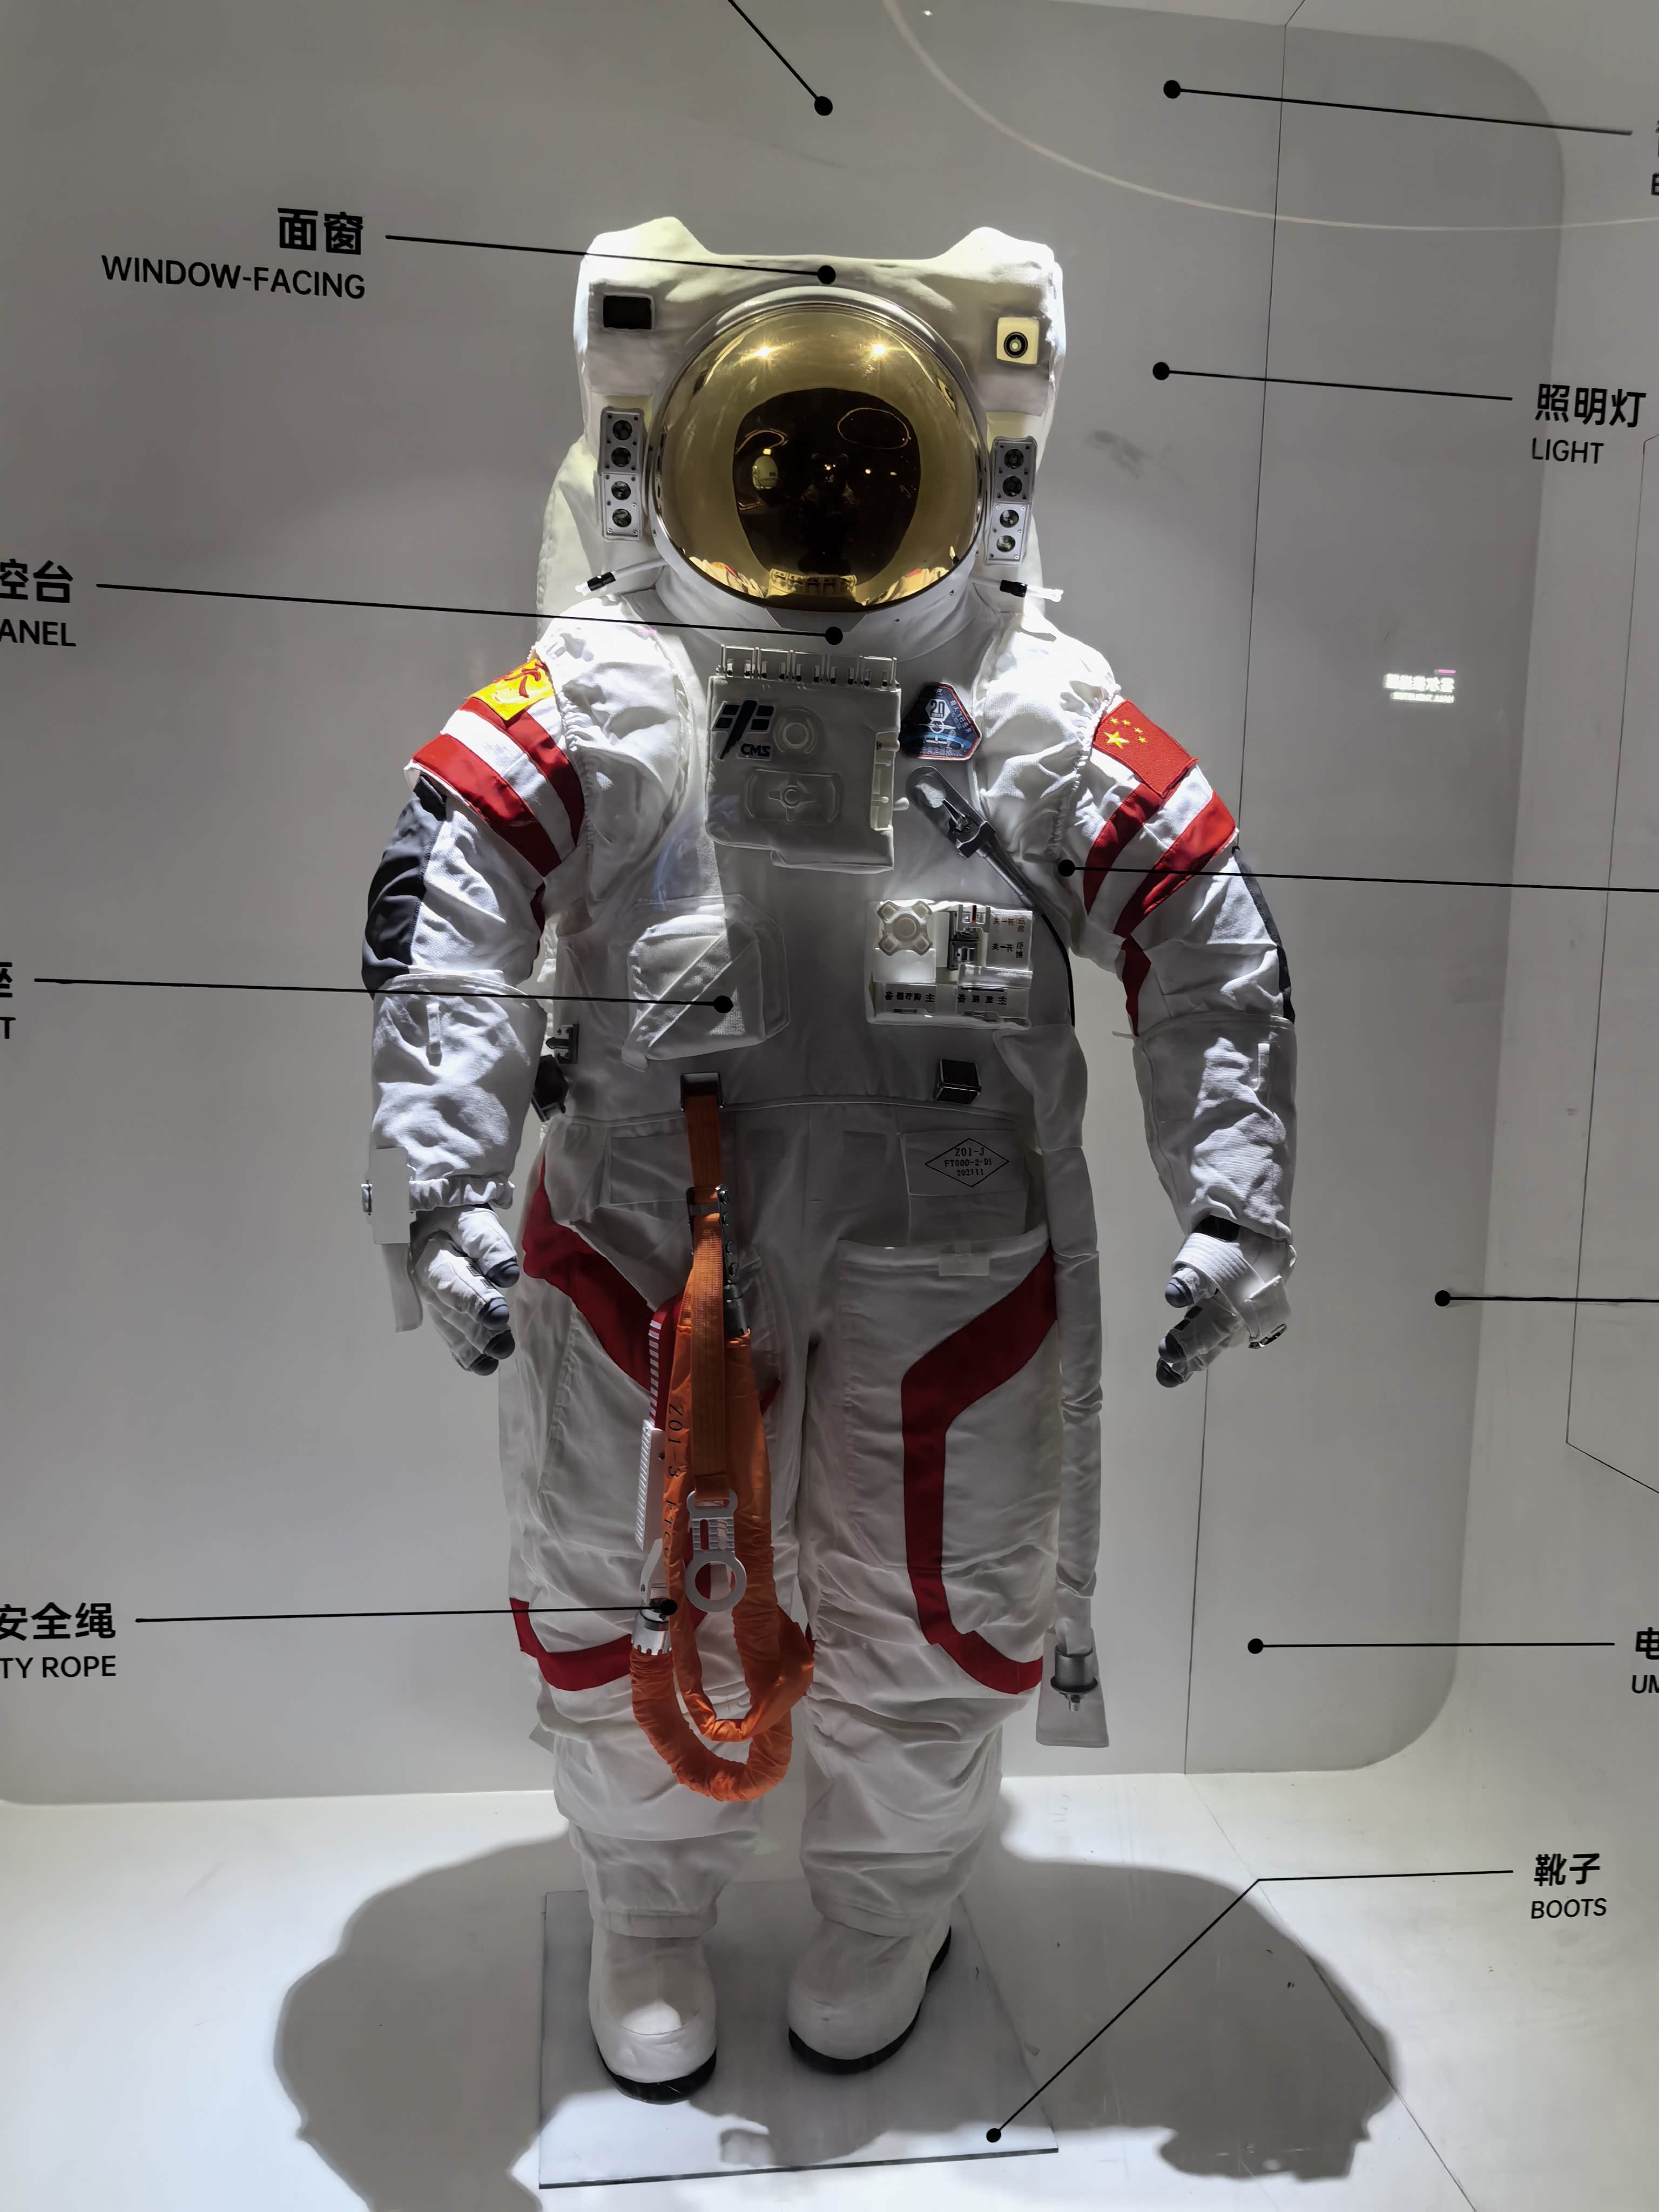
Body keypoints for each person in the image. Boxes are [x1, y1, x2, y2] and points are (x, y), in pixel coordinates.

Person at [362, 220, 1296, 2098]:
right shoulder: (605, 684)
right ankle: (648, 1901)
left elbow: (1203, 935)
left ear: (962, 467)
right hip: (653, 1197)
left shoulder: (1032, 701)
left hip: (944, 1224)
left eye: (868, 458)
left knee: (939, 1586)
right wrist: (441, 1188)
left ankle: (887, 1904)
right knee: (622, 1565)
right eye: (778, 454)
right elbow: (444, 913)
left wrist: (1237, 1198)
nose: (819, 504)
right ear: (681, 454)